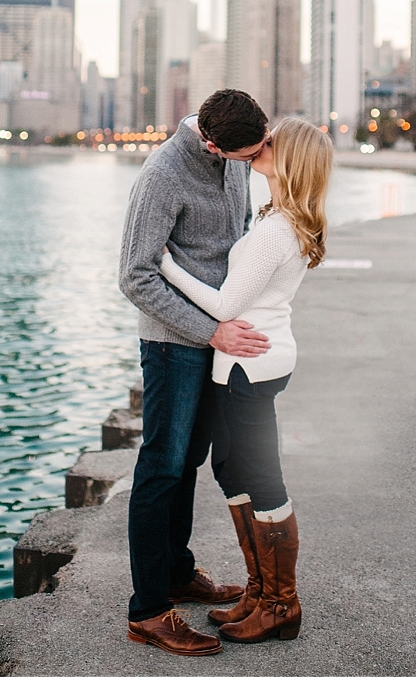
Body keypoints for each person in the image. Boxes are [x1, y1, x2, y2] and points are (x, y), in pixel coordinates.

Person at [159, 116, 333, 643]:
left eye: (274, 142)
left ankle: (282, 603)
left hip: (249, 366)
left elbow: (226, 304)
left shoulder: (278, 229)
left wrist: (164, 263)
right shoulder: (280, 217)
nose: (263, 144)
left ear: (290, 161)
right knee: (231, 467)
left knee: (259, 476)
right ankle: (260, 591)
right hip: (257, 359)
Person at [120, 89, 272, 657]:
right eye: (250, 155)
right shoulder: (162, 173)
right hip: (173, 346)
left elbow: (234, 240)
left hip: (217, 337)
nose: (257, 161)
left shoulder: (234, 154)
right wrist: (210, 331)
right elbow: (134, 275)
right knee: (161, 464)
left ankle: (177, 573)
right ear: (212, 144)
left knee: (190, 461)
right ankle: (148, 611)